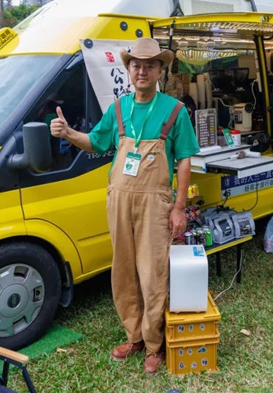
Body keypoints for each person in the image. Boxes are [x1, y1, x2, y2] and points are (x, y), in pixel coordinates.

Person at [50, 38, 200, 373]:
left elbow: (185, 161)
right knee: (124, 271)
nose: (142, 70)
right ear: (128, 69)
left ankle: (154, 345)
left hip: (155, 203)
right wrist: (68, 133)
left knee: (153, 274)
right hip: (119, 200)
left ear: (161, 69)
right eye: (136, 64)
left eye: (150, 65)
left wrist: (178, 208)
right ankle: (133, 336)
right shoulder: (118, 108)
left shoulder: (175, 111)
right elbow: (96, 143)